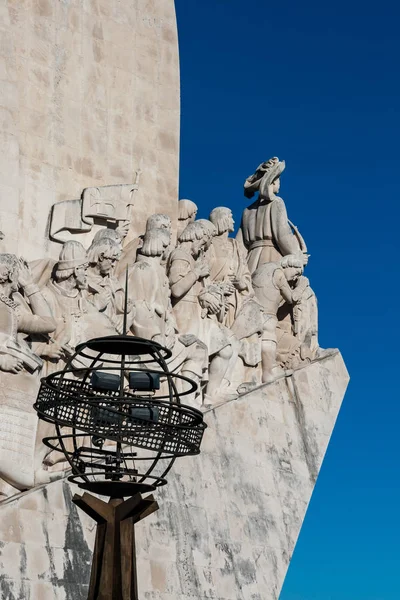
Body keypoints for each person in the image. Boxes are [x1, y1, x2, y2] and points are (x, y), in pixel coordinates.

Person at [129, 228, 207, 407]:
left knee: (198, 348)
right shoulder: (141, 269)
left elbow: (167, 308)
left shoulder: (158, 271)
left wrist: (172, 329)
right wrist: (156, 335)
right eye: (165, 246)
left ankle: (186, 401)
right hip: (148, 342)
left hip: (165, 338)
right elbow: (136, 307)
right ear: (157, 245)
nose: (167, 250)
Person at [168, 221, 238, 405]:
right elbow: (176, 289)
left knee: (225, 349)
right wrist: (196, 272)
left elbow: (198, 290)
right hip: (184, 314)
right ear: (197, 235)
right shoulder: (181, 256)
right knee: (196, 353)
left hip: (196, 313)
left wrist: (213, 293)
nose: (204, 245)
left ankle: (209, 396)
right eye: (205, 240)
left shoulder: (191, 259)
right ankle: (188, 399)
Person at [237, 157, 308, 273]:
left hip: (249, 261)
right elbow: (282, 235)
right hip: (270, 256)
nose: (279, 183)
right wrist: (297, 255)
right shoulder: (276, 202)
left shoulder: (247, 211)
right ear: (273, 180)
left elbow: (239, 245)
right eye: (278, 179)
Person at [252, 255, 309, 383]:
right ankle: (268, 373)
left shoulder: (262, 268)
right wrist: (302, 285)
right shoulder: (278, 273)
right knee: (270, 339)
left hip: (252, 312)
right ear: (289, 265)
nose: (295, 277)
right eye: (297, 272)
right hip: (266, 316)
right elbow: (292, 298)